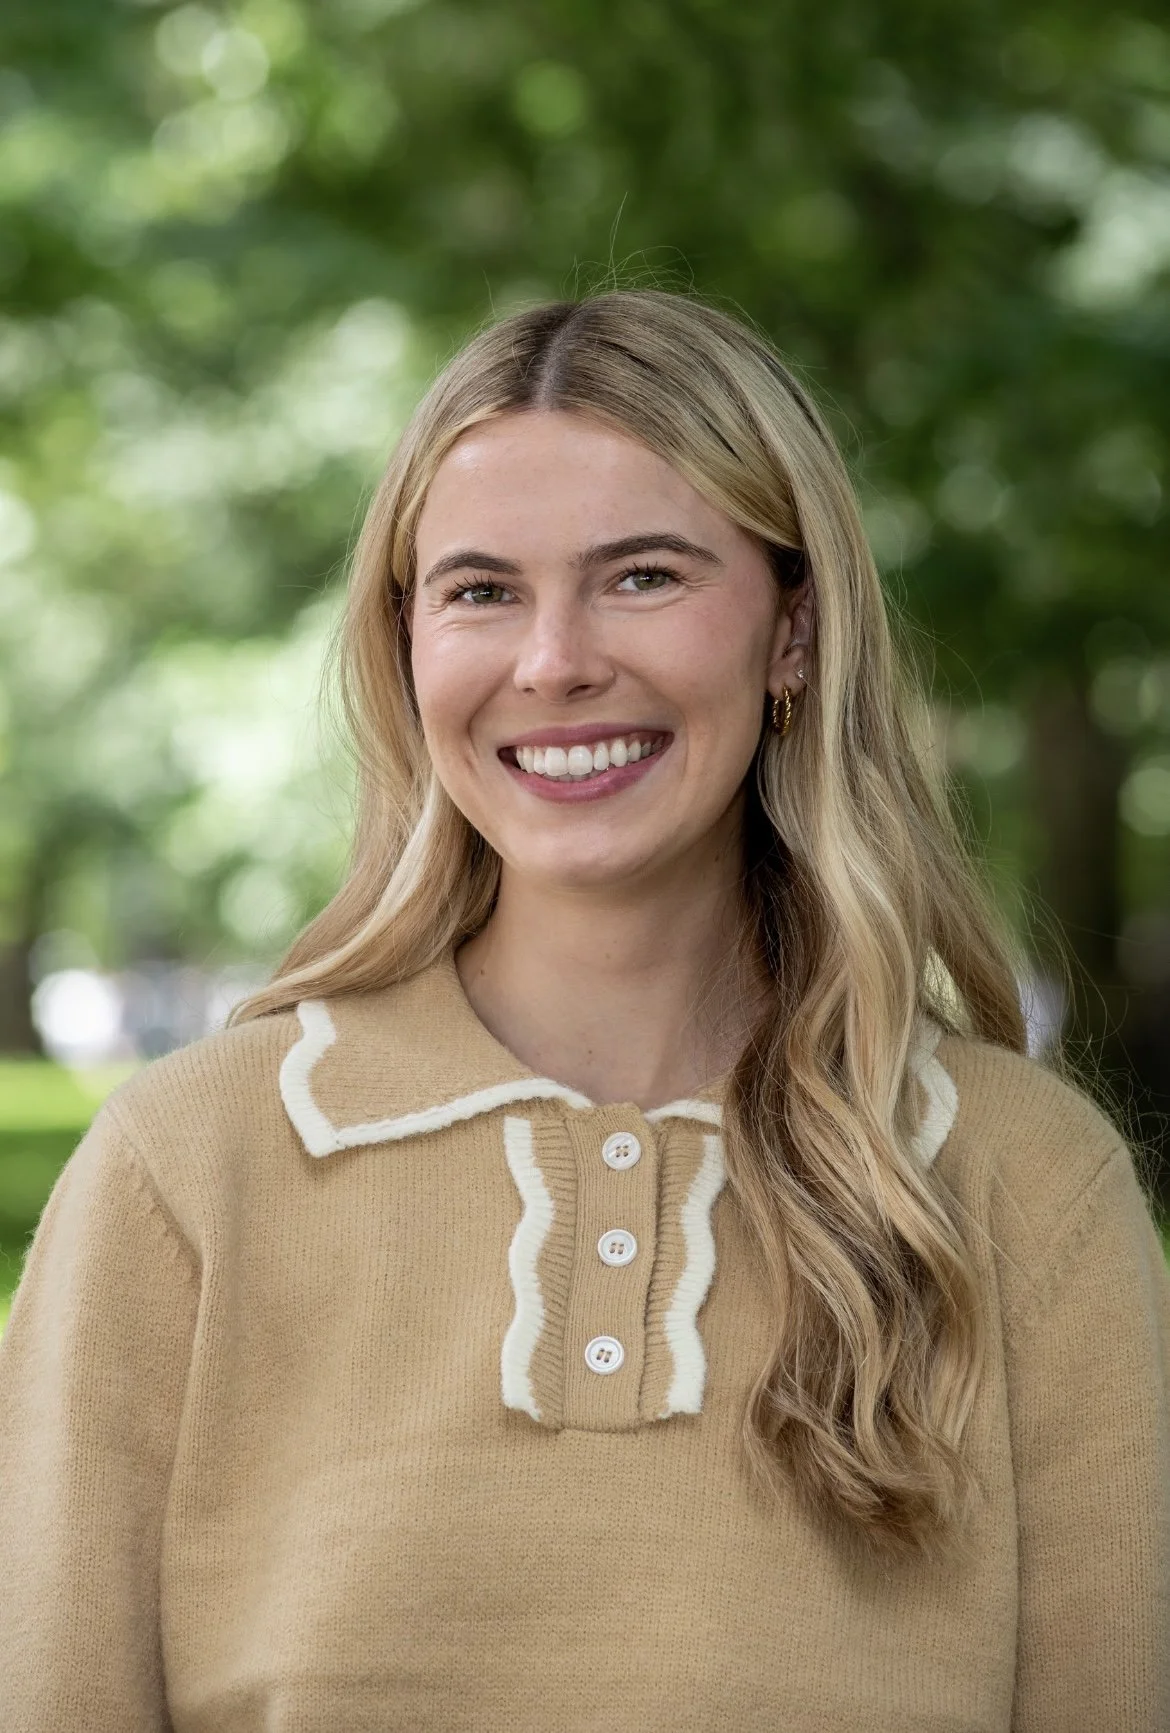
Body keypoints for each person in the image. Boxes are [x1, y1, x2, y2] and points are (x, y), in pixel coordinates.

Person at [1, 288, 1167, 1732]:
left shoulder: (1020, 1184)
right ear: (408, 646)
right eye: (481, 591)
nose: (552, 661)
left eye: (642, 576)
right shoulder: (185, 1172)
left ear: (792, 634)